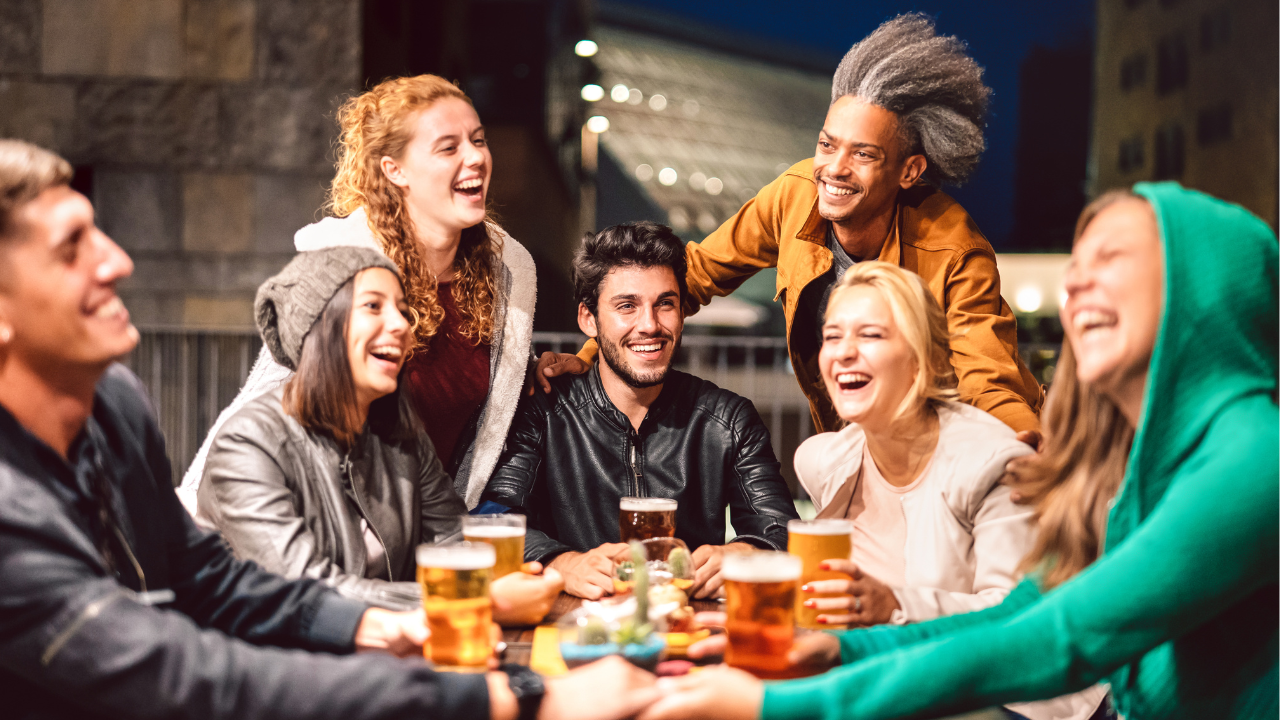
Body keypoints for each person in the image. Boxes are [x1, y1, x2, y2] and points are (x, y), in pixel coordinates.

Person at [0, 139, 660, 720]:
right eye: (70, 248)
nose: (117, 260)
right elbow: (183, 675)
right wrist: (510, 697)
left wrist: (370, 624)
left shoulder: (115, 402)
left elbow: (207, 576)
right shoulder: (20, 506)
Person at [637, 183, 1278, 720]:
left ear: (1201, 279)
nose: (1076, 282)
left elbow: (1064, 638)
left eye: (1110, 258)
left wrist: (776, 706)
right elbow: (1028, 610)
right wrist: (843, 652)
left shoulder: (1255, 459)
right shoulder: (1146, 458)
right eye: (1075, 265)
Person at [537, 13, 1044, 443]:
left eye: (864, 155)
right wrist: (592, 356)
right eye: (827, 144)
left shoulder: (953, 247)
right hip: (852, 441)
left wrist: (1023, 448)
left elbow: (987, 379)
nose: (834, 168)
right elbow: (692, 275)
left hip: (951, 442)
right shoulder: (795, 195)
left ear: (909, 171)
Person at [180, 74, 538, 512]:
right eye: (449, 147)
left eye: (478, 140)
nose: (476, 157)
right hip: (329, 521)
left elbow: (497, 385)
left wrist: (539, 369)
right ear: (395, 169)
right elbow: (267, 397)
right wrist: (190, 518)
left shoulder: (509, 271)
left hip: (436, 526)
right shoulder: (345, 265)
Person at [791, 260, 1104, 720]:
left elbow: (1016, 618)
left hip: (1011, 699)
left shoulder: (991, 462)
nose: (844, 352)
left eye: (871, 335)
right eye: (832, 336)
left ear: (925, 358)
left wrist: (894, 606)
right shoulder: (825, 462)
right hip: (898, 685)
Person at [197, 246, 561, 625]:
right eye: (373, 306)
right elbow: (302, 589)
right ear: (318, 326)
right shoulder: (248, 442)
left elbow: (453, 540)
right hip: (271, 656)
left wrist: (527, 571)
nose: (402, 325)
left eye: (403, 311)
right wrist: (471, 598)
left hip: (388, 650)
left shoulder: (402, 437)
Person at [481, 222, 800, 600]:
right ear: (588, 319)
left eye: (665, 304)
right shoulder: (544, 411)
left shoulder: (727, 419)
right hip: (573, 622)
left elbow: (782, 530)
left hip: (688, 622)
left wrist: (747, 552)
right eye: (627, 306)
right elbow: (492, 521)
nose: (649, 325)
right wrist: (560, 562)